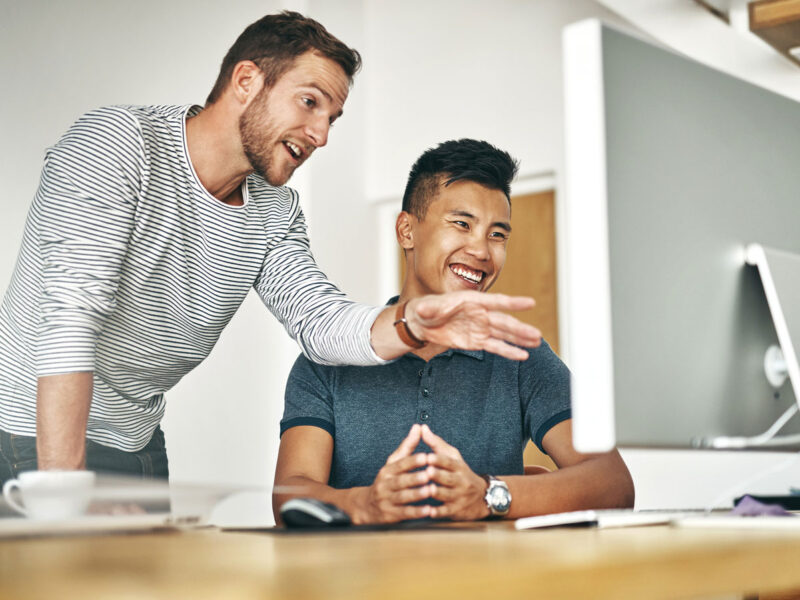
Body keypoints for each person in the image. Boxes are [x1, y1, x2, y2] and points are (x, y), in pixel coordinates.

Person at [0, 13, 542, 485]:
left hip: (137, 443)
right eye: (310, 103)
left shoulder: (273, 211)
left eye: (332, 117)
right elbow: (69, 320)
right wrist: (61, 491)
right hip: (28, 435)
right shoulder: (118, 144)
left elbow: (320, 321)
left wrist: (412, 324)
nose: (322, 134)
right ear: (245, 80)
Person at [273, 139, 634, 523]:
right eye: (462, 224)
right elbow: (289, 496)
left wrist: (490, 495)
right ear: (406, 231)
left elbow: (614, 484)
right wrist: (365, 505)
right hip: (361, 581)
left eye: (497, 235)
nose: (482, 251)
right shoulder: (327, 358)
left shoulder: (520, 356)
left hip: (487, 582)